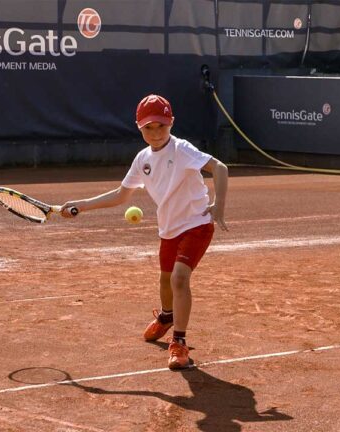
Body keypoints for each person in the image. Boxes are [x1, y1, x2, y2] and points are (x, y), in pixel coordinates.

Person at [61, 94, 229, 370]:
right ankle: (166, 317)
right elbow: (120, 195)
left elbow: (219, 168)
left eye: (161, 126)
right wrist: (81, 205)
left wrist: (218, 205)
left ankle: (180, 342)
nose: (156, 133)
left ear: (171, 123)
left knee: (179, 279)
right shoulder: (142, 159)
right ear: (139, 128)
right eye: (149, 128)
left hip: (197, 224)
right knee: (165, 281)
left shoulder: (182, 149)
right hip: (169, 228)